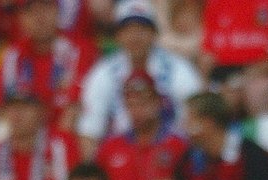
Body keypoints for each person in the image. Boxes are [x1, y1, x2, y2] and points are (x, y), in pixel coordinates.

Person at [76, 0, 202, 160]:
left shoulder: (178, 70)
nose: (134, 37)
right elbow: (90, 131)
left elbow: (195, 122)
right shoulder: (104, 73)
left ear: (154, 33)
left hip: (170, 156)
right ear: (118, 35)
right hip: (121, 157)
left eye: (142, 29)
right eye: (128, 30)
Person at [0, 0, 97, 158]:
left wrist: (53, 153)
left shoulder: (78, 50)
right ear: (20, 18)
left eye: (45, 6)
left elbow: (72, 111)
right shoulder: (14, 54)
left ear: (57, 10)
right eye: (29, 10)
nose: (39, 16)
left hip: (63, 139)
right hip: (24, 134)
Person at [93, 70, 187, 180]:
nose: (137, 111)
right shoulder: (110, 147)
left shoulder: (178, 145)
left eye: (143, 103)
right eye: (131, 105)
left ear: (157, 102)